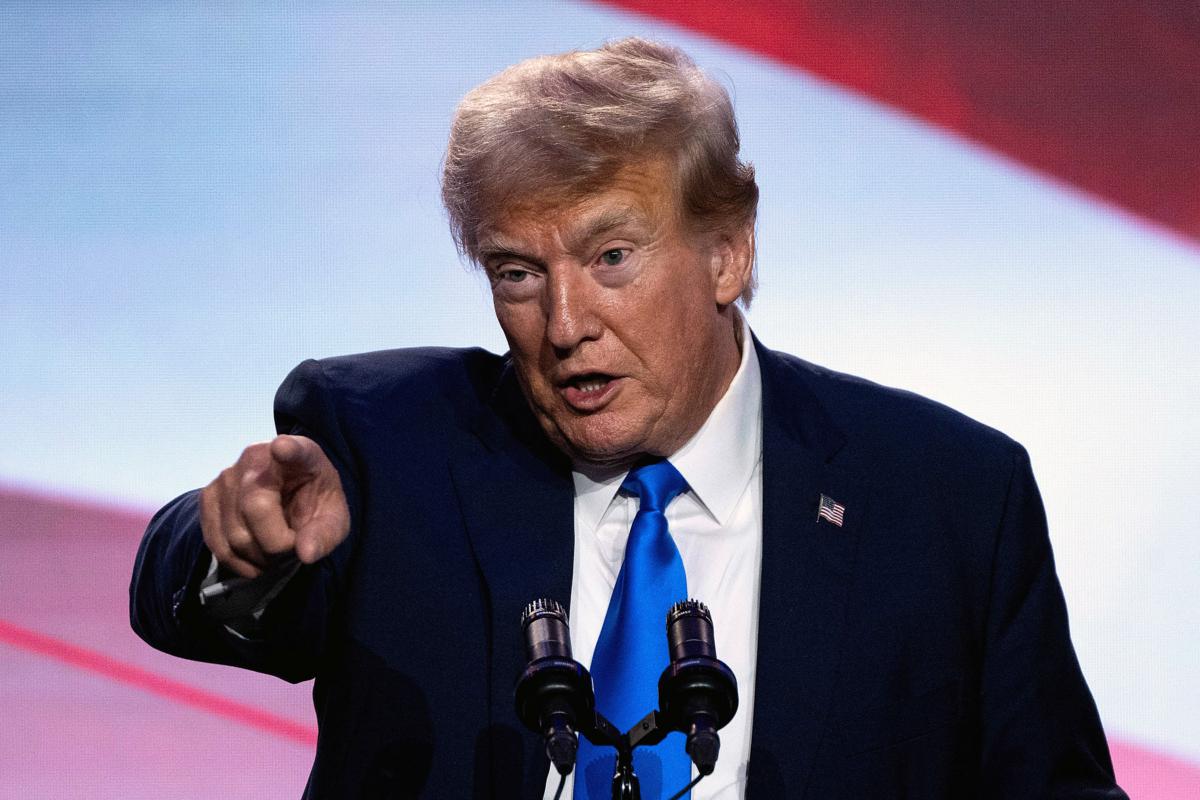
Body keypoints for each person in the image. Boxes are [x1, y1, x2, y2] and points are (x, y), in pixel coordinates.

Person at [130, 38, 1127, 799]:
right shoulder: (391, 444)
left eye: (612, 258)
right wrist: (242, 551)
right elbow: (181, 587)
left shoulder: (946, 499)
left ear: (728, 250)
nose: (564, 325)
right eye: (518, 273)